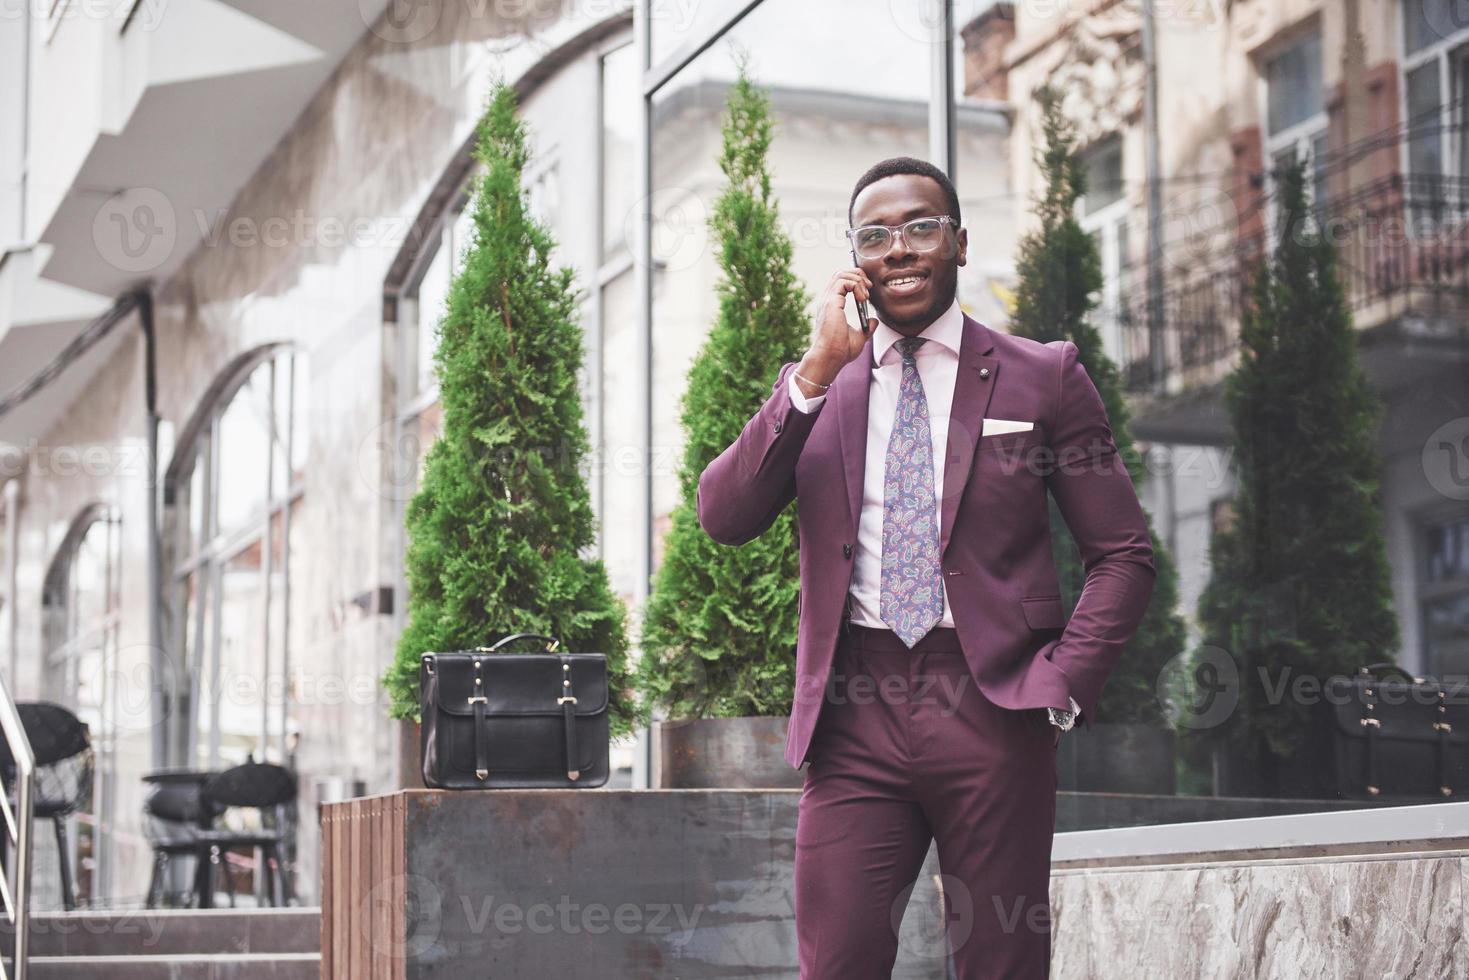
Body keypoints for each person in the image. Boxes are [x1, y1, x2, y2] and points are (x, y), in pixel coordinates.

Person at [696, 156, 1157, 979]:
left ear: (959, 244)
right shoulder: (821, 386)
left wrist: (1060, 686)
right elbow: (724, 517)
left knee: (1001, 961)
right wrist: (808, 377)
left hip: (992, 706)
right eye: (875, 236)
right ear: (855, 262)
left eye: (919, 227)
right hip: (854, 717)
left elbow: (1121, 553)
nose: (898, 249)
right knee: (835, 962)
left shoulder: (1040, 375)